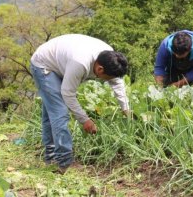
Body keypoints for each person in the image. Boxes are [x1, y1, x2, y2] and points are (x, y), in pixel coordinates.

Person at [30, 34, 130, 174]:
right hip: (44, 65)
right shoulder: (80, 63)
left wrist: (126, 109)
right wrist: (85, 120)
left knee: (51, 113)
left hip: (62, 62)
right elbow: (68, 94)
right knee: (59, 113)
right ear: (100, 69)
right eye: (106, 78)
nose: (106, 80)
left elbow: (117, 83)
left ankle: (50, 158)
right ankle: (63, 163)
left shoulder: (111, 58)